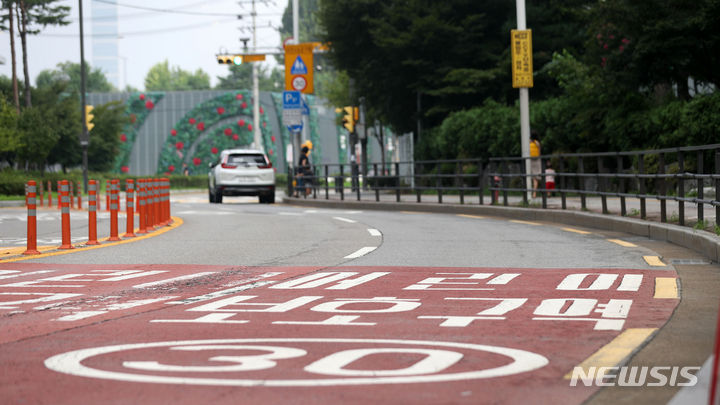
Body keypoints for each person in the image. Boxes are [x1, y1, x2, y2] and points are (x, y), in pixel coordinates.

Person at [529, 131, 541, 198]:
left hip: (530, 160)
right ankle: (534, 193)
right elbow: (539, 152)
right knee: (535, 178)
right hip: (536, 160)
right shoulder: (537, 143)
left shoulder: (529, 143)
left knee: (532, 177)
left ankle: (533, 193)